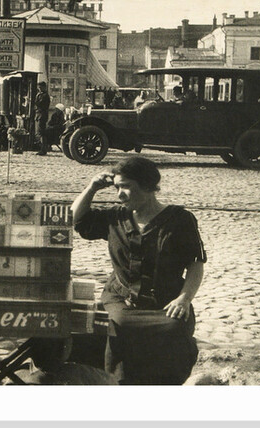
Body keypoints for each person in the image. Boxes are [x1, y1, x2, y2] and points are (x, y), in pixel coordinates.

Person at [71, 156, 206, 384]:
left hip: (166, 300)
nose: (119, 194)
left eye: (126, 187)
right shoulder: (115, 217)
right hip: (122, 299)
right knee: (120, 325)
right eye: (116, 187)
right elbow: (73, 218)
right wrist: (92, 187)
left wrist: (184, 299)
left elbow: (195, 263)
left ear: (148, 186)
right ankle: (122, 384)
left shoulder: (180, 219)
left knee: (175, 328)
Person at [34, 81, 50, 155]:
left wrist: (33, 101)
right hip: (39, 114)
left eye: (40, 87)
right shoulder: (40, 94)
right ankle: (42, 148)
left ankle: (43, 149)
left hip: (42, 115)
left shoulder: (45, 95)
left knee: (42, 132)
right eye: (38, 87)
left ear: (44, 87)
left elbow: (40, 104)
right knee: (39, 132)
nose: (39, 89)